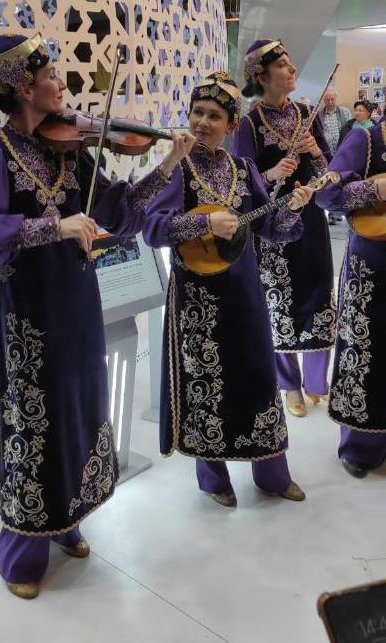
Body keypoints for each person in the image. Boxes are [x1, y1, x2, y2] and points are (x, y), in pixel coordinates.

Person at [0, 33, 195, 599]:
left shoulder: (71, 149)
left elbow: (124, 213)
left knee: (80, 408)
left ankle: (67, 519)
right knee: (36, 420)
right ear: (23, 87)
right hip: (31, 312)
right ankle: (23, 549)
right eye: (51, 76)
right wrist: (53, 226)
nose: (62, 85)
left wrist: (169, 161)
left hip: (79, 300)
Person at [143, 72, 315, 507]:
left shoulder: (243, 169)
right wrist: (205, 222)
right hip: (197, 299)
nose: (202, 122)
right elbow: (153, 229)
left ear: (232, 124)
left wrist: (292, 208)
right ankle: (214, 479)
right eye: (197, 113)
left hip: (245, 291)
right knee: (207, 382)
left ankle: (272, 475)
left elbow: (269, 226)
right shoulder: (178, 168)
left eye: (214, 116)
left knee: (258, 377)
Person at [233, 39, 336, 418]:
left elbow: (330, 172)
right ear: (262, 76)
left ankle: (316, 382)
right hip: (273, 229)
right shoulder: (248, 124)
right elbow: (241, 184)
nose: (292, 70)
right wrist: (271, 173)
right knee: (279, 301)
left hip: (312, 222)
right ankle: (289, 385)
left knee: (318, 292)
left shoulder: (308, 113)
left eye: (291, 63)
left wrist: (314, 151)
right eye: (283, 65)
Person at [316, 117, 386, 478]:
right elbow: (325, 194)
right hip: (370, 266)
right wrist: (375, 189)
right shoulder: (365, 140)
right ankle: (360, 446)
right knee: (364, 350)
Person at [320, 87, 350, 224]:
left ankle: (344, 211)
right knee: (329, 184)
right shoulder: (319, 115)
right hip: (327, 156)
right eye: (327, 100)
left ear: (336, 99)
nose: (330, 102)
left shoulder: (344, 112)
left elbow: (349, 131)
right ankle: (333, 213)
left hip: (342, 153)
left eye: (332, 99)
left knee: (343, 182)